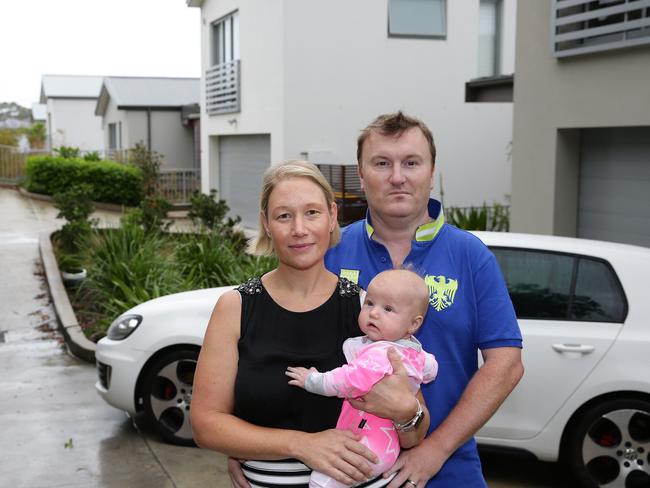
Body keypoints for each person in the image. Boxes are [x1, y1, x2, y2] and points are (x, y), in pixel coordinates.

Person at [191, 160, 430, 488]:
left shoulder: (365, 310)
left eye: (312, 213)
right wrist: (301, 445)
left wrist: (406, 414)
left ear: (332, 216)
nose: (299, 229)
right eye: (284, 215)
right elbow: (205, 425)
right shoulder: (236, 308)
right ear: (266, 224)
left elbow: (414, 431)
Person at [323, 112, 524, 488]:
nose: (397, 176)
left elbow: (507, 365)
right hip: (345, 469)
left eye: (411, 163)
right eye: (382, 163)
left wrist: (436, 450)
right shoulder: (330, 251)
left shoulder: (471, 255)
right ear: (362, 175)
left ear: (431, 173)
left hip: (447, 471)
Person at [286, 268, 438, 488]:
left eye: (388, 309)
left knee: (323, 481)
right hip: (384, 444)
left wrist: (312, 380)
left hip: (367, 444)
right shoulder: (415, 352)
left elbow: (347, 381)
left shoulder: (381, 354)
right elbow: (431, 369)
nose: (374, 313)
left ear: (414, 324)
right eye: (369, 303)